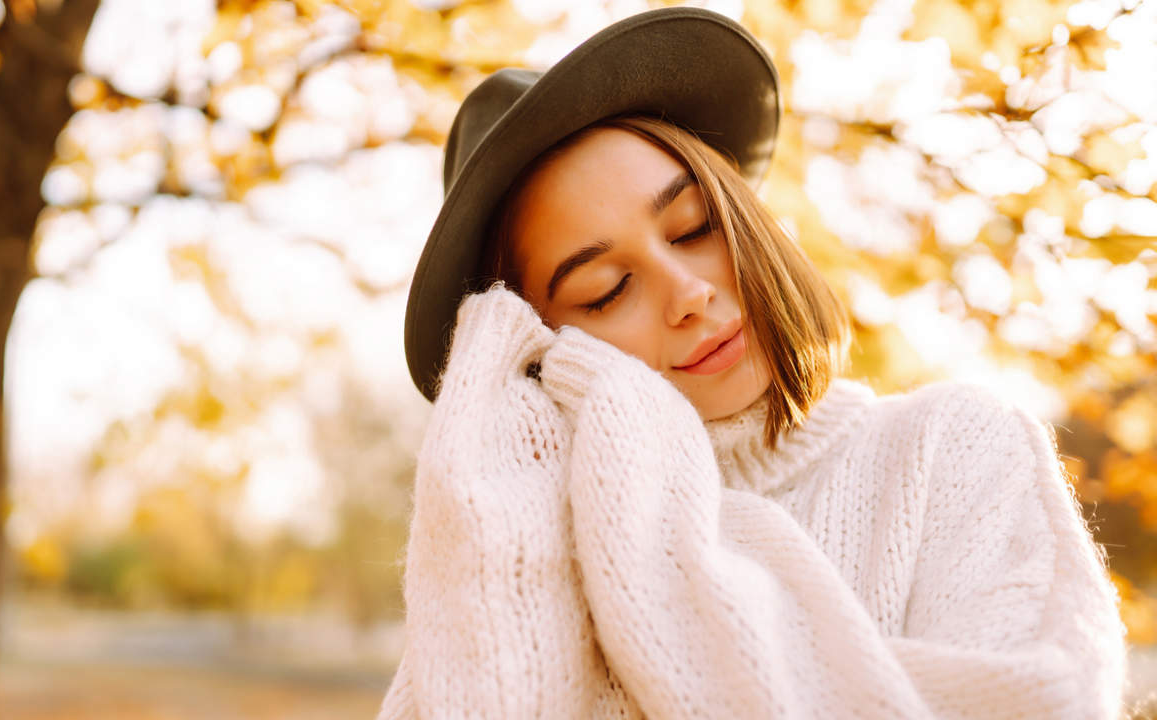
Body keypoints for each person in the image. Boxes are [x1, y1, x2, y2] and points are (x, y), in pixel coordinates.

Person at [378, 7, 1128, 719]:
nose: (688, 294)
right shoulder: (517, 546)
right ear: (539, 350)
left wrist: (662, 582)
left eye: (695, 225)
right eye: (606, 292)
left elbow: (1039, 700)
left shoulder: (954, 449)